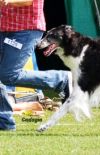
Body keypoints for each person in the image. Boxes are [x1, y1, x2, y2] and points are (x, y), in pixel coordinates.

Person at [0, 0, 72, 130]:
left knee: (9, 75)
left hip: (25, 29)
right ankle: (4, 123)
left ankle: (61, 79)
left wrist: (5, 1)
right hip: (4, 28)